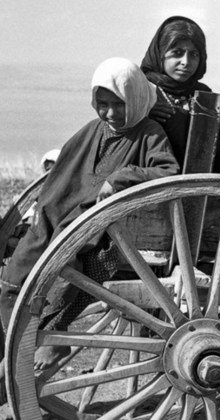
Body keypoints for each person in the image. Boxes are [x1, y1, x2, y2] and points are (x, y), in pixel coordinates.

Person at [0, 57, 179, 379]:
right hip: (61, 211)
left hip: (100, 221)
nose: (110, 113)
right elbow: (66, 169)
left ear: (135, 99)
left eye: (118, 104)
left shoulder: (149, 132)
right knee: (21, 264)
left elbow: (168, 171)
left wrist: (122, 177)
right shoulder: (93, 130)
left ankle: (52, 334)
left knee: (67, 254)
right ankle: (15, 343)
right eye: (102, 103)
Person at [141, 15, 220, 174]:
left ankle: (219, 190)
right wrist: (142, 111)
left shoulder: (203, 94)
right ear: (160, 53)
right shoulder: (142, 90)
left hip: (202, 177)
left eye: (194, 54)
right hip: (155, 176)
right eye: (177, 53)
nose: (186, 62)